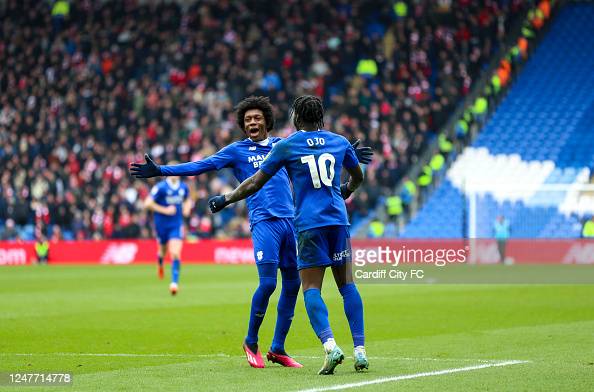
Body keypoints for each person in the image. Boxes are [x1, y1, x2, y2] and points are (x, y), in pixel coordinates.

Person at [131, 96, 372, 369]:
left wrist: (339, 150)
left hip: (292, 222)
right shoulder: (237, 150)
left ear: (268, 121)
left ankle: (278, 348)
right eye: (247, 120)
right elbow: (202, 165)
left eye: (257, 118)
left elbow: (313, 154)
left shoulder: (283, 145)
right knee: (270, 284)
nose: (252, 123)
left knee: (294, 285)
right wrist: (162, 170)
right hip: (265, 222)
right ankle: (251, 341)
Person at [209, 95, 369, 375]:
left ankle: (330, 346)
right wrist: (346, 189)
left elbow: (256, 181)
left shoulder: (287, 145)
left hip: (308, 225)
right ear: (321, 116)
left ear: (296, 118)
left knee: (310, 288)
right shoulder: (340, 141)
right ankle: (360, 351)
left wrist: (227, 198)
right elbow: (358, 177)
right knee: (347, 287)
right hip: (338, 222)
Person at [144, 174, 193, 295]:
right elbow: (147, 203)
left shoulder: (183, 187)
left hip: (176, 225)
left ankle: (174, 283)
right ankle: (160, 262)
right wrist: (165, 210)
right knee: (162, 251)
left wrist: (187, 208)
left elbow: (187, 200)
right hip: (161, 225)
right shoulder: (160, 187)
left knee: (175, 253)